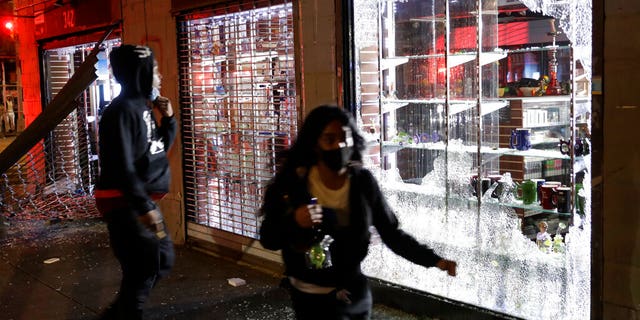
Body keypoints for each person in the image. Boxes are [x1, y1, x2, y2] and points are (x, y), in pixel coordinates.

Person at [259, 105, 457, 320]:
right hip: (310, 301)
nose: (339, 145)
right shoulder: (294, 183)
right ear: (314, 143)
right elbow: (269, 239)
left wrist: (434, 260)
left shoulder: (362, 183)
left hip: (354, 296)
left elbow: (391, 234)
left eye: (345, 138)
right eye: (329, 139)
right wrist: (293, 221)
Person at [94, 44, 177, 320]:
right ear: (140, 72)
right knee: (143, 268)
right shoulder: (121, 112)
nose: (159, 75)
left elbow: (155, 151)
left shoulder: (142, 108)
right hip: (125, 203)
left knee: (161, 259)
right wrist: (143, 207)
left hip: (139, 201)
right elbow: (121, 166)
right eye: (154, 70)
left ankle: (120, 313)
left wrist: (169, 120)